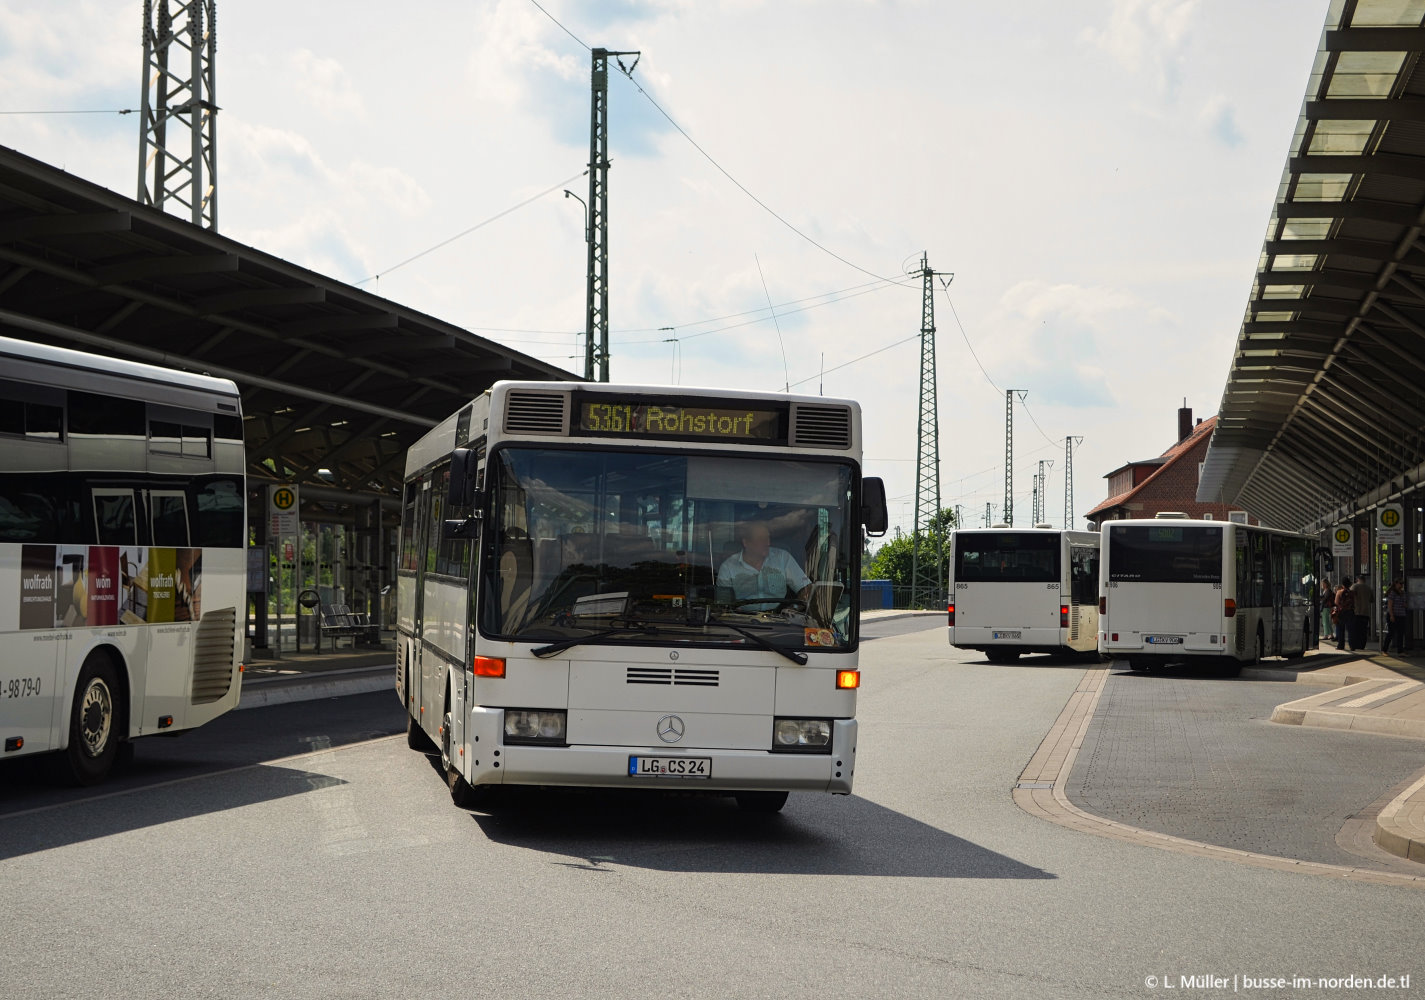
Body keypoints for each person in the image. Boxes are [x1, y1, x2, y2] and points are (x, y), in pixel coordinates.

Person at [716, 520, 811, 611]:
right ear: (746, 542)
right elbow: (723, 605)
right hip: (741, 621)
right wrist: (732, 611)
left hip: (780, 620)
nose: (768, 543)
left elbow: (806, 589)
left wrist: (793, 609)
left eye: (768, 538)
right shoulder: (728, 567)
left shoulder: (782, 558)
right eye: (761, 539)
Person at [1383, 578, 1408, 655]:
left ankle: (1400, 651)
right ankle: (1384, 650)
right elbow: (1390, 605)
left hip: (1401, 615)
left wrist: (1405, 605)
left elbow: (1405, 603)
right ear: (1396, 584)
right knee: (1391, 633)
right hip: (1393, 615)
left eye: (1402, 584)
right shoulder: (1392, 593)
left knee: (1400, 633)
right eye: (1400, 583)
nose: (1401, 585)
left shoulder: (1403, 593)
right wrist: (1391, 615)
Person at [1349, 574, 1373, 652]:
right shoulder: (1368, 588)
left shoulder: (1354, 586)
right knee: (1363, 630)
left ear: (1357, 579)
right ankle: (1362, 645)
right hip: (1365, 612)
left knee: (1355, 629)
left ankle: (1355, 645)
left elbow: (1349, 596)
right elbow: (1372, 600)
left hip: (1356, 611)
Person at [1334, 577, 1354, 650]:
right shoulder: (1352, 592)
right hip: (1350, 612)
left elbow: (1336, 602)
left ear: (1342, 584)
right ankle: (1352, 645)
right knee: (1350, 630)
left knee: (1340, 629)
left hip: (1341, 612)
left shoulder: (1339, 592)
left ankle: (1341, 645)